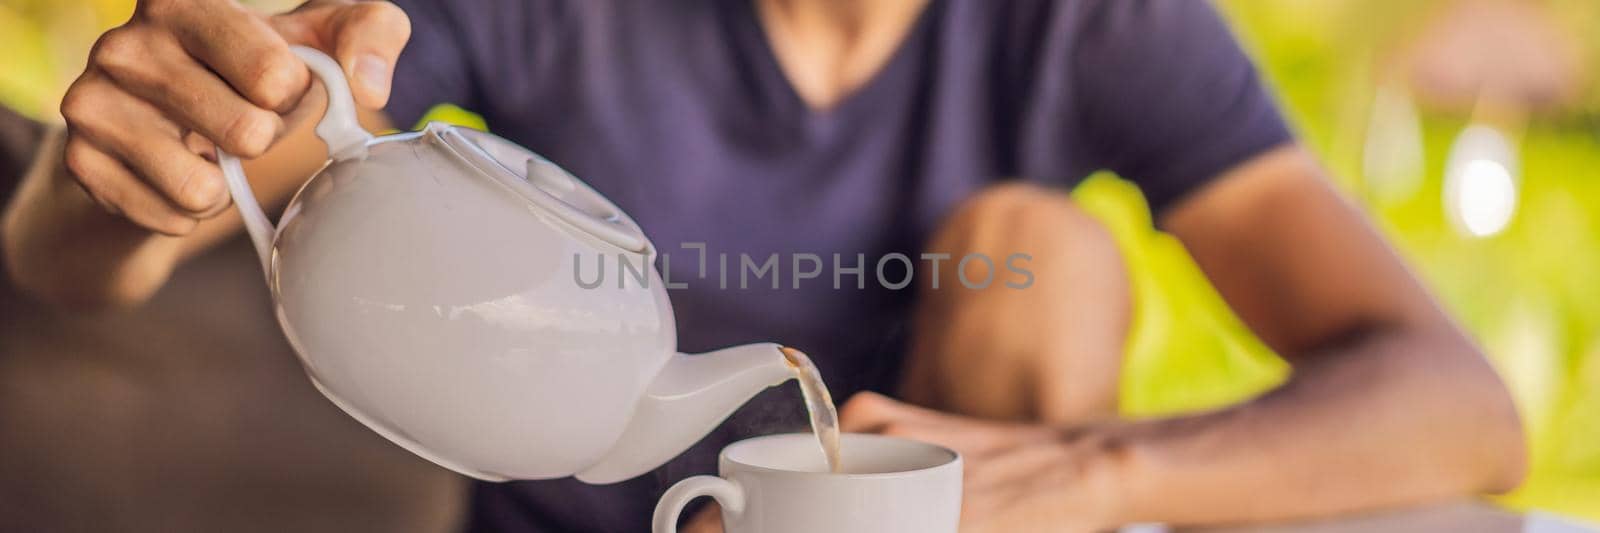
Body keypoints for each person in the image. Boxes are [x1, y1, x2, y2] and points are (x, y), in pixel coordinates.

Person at [0, 0, 1526, 531]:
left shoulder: (1092, 20)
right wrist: (121, 179)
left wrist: (1080, 472)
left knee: (1037, 253)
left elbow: (1460, 404)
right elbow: (190, 211)